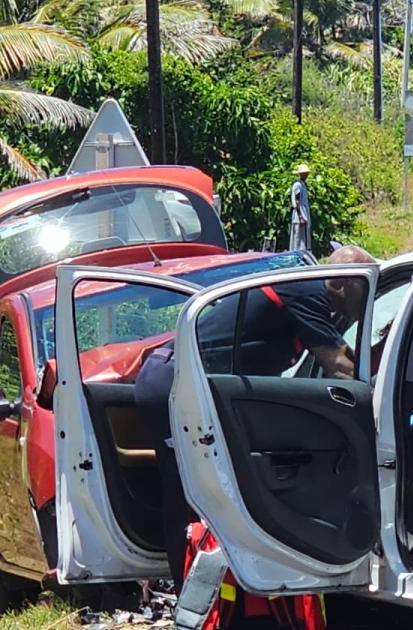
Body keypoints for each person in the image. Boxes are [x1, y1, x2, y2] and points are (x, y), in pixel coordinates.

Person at [133, 245, 376, 625]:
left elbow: (344, 352)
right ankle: (195, 605)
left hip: (199, 382)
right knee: (190, 493)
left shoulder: (317, 299)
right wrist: (385, 396)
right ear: (341, 283)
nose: (371, 302)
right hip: (173, 382)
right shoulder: (306, 290)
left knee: (216, 486)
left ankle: (233, 595)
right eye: (367, 291)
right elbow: (342, 368)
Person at [290, 163, 312, 252]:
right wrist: (300, 217)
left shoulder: (303, 184)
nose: (305, 175)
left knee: (304, 236)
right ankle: (297, 252)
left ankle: (304, 252)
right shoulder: (297, 185)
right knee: (298, 237)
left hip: (304, 212)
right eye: (304, 173)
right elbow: (297, 201)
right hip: (300, 214)